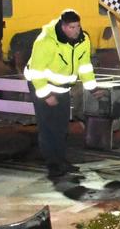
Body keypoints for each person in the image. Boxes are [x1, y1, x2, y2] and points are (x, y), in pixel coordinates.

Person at [24, 9, 98, 177]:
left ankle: (61, 160)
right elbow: (36, 72)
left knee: (62, 126)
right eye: (72, 27)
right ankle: (53, 163)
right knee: (48, 126)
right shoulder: (45, 41)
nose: (76, 30)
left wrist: (92, 87)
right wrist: (45, 95)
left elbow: (85, 65)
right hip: (42, 85)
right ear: (63, 27)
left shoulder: (82, 40)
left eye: (78, 26)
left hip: (62, 87)